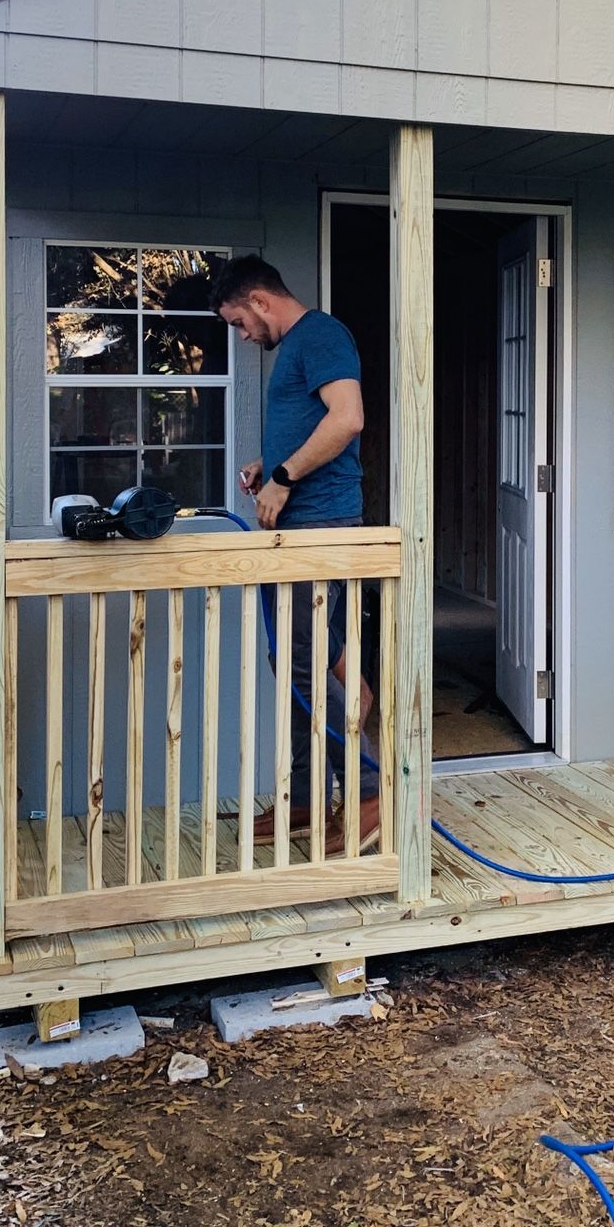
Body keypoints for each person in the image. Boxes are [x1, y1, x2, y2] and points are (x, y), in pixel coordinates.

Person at [211, 255, 379, 853]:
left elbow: (348, 419)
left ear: (259, 301)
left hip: (323, 527)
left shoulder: (323, 335)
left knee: (301, 664)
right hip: (303, 527)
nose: (242, 335)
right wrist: (270, 463)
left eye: (238, 322)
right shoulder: (299, 347)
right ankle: (308, 800)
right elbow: (315, 428)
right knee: (299, 663)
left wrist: (283, 476)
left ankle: (367, 792)